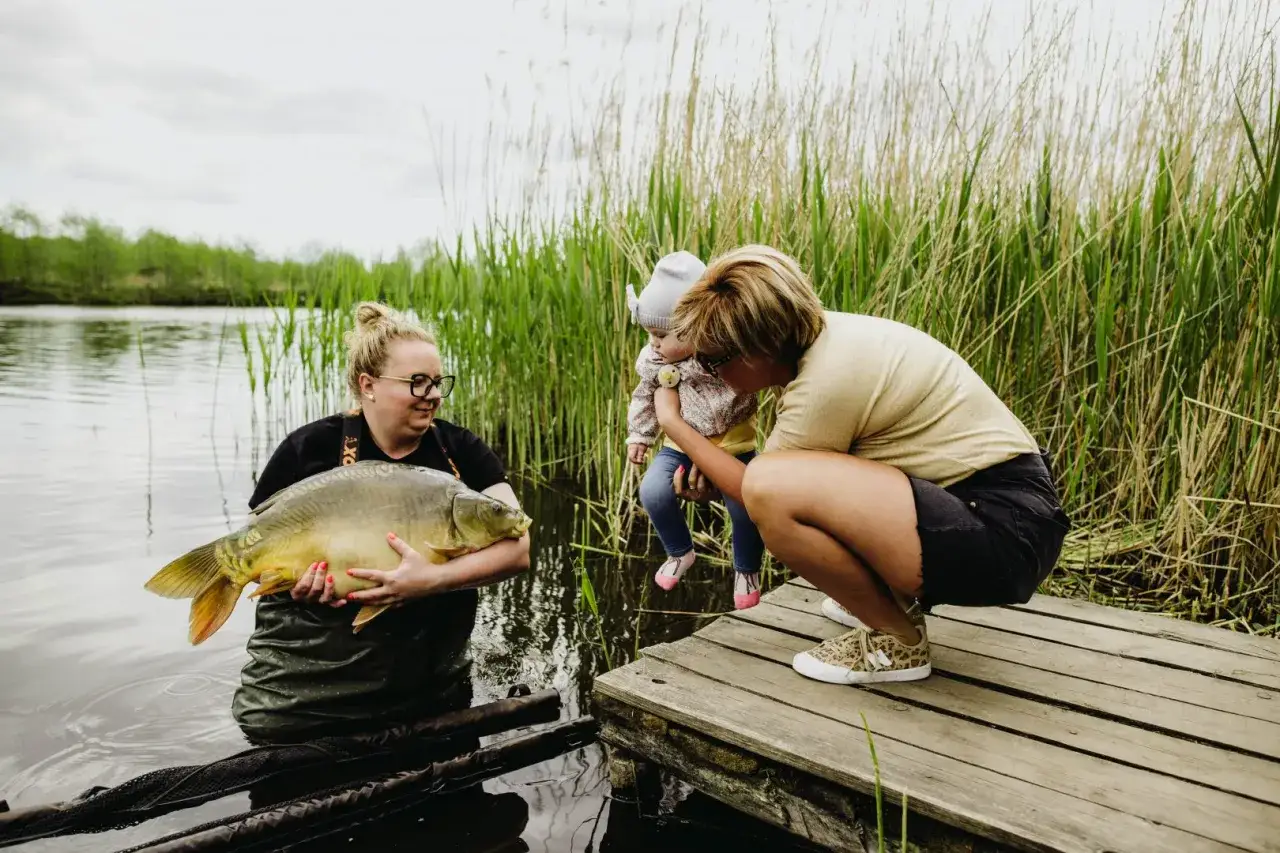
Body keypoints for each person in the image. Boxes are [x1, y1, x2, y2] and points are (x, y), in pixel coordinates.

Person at [655, 245, 1070, 685]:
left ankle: (898, 640)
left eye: (711, 359)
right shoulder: (826, 340)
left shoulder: (826, 380)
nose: (707, 371)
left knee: (770, 487)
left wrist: (674, 425)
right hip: (998, 512)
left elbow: (758, 489)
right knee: (782, 481)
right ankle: (885, 601)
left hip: (1003, 535)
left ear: (756, 350)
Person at [231, 301, 531, 745]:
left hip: (428, 690)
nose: (433, 394)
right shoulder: (308, 448)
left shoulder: (460, 450)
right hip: (311, 699)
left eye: (438, 382)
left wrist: (431, 581)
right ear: (367, 385)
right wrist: (294, 585)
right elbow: (262, 543)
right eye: (417, 382)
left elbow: (518, 547)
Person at [624, 250, 765, 609]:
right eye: (649, 334)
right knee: (653, 491)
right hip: (680, 446)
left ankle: (747, 569)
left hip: (733, 445)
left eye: (661, 334)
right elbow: (644, 396)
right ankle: (679, 552)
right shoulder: (656, 361)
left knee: (744, 507)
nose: (653, 342)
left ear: (694, 329)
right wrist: (640, 435)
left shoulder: (724, 355)